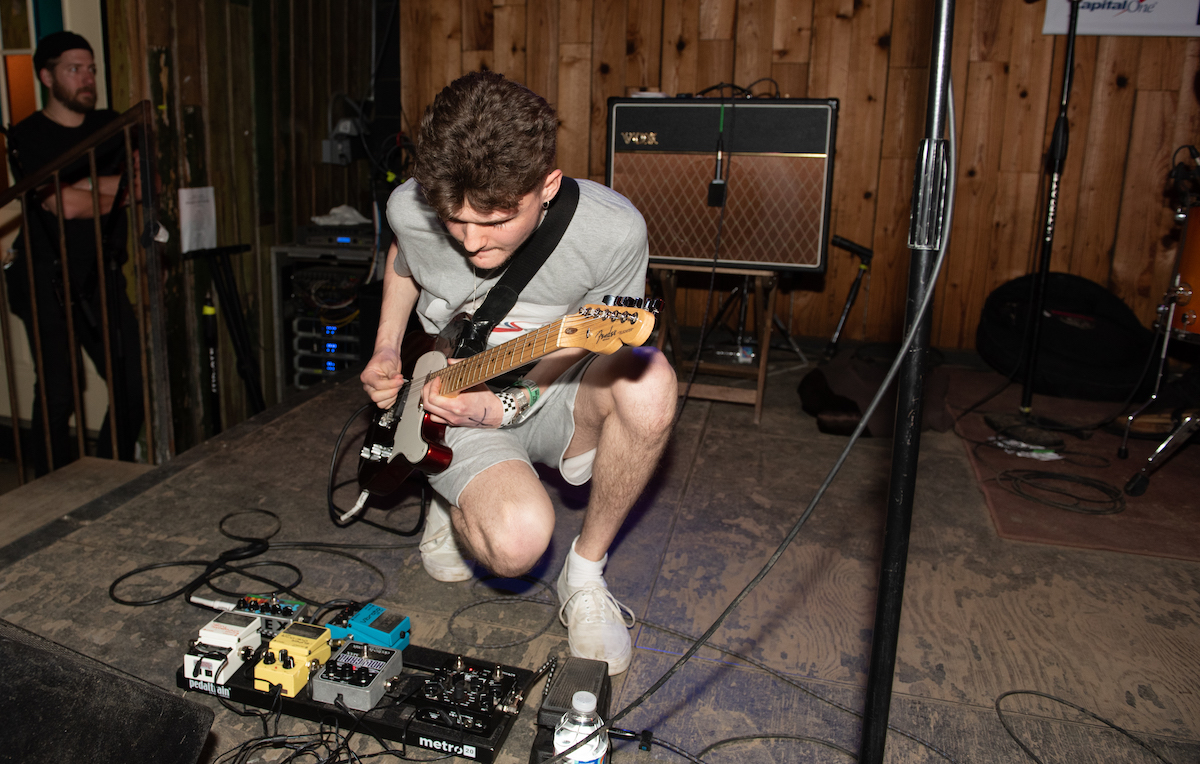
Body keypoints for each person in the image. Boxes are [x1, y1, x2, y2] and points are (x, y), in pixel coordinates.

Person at [361, 71, 677, 675]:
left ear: (547, 186)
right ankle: (445, 481)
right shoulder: (411, 206)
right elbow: (404, 256)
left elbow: (597, 340)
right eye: (454, 219)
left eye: (495, 220)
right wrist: (385, 348)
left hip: (558, 385)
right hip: (450, 394)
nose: (472, 242)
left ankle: (585, 574)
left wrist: (512, 401)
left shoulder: (613, 232)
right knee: (515, 546)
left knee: (650, 381)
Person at [4, 31, 143, 476]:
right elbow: (60, 205)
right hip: (45, 274)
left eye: (92, 69)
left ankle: (106, 475)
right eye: (74, 69)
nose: (87, 78)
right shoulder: (28, 135)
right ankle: (49, 488)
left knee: (131, 383)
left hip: (101, 271)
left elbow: (147, 184)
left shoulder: (111, 124)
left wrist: (84, 187)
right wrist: (113, 189)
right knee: (59, 391)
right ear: (47, 77)